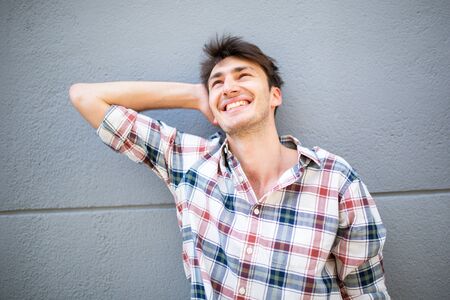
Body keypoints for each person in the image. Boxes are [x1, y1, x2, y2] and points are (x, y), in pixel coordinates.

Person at [70, 35, 390, 299]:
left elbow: (365, 292)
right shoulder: (188, 162)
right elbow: (85, 97)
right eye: (217, 82)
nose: (228, 87)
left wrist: (216, 90)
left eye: (243, 76)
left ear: (274, 95)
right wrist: (195, 95)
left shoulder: (335, 179)